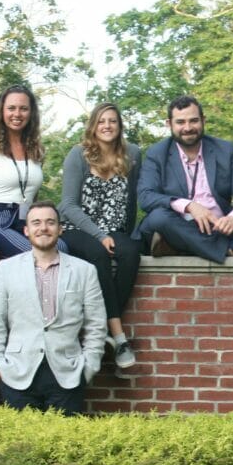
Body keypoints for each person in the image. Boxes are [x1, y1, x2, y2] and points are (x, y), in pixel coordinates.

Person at [0, 201, 106, 415]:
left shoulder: (84, 271)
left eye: (50, 222)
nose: (43, 228)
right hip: (17, 373)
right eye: (36, 223)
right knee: (20, 445)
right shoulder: (6, 269)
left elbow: (96, 324)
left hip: (68, 374)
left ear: (60, 229)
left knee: (63, 445)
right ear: (26, 230)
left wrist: (88, 366)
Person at [58, 102, 142, 369]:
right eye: (101, 121)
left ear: (120, 126)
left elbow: (132, 203)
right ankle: (118, 336)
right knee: (98, 256)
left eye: (113, 121)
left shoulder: (133, 155)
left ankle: (104, 326)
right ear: (93, 125)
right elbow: (68, 205)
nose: (107, 126)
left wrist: (123, 236)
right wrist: (99, 235)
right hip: (77, 228)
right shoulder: (78, 155)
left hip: (114, 230)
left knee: (130, 252)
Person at [137, 96, 233, 262]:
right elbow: (146, 196)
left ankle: (178, 247)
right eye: (180, 122)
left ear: (203, 121)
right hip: (178, 223)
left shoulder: (224, 150)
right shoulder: (157, 153)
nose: (188, 128)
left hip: (217, 226)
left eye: (193, 121)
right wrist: (189, 206)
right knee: (158, 218)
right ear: (169, 124)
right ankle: (231, 250)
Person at [0, 85, 66, 258]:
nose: (17, 114)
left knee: (62, 247)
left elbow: (32, 194)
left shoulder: (37, 150)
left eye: (23, 109)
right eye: (11, 108)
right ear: (1, 111)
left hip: (27, 220)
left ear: (31, 113)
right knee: (34, 253)